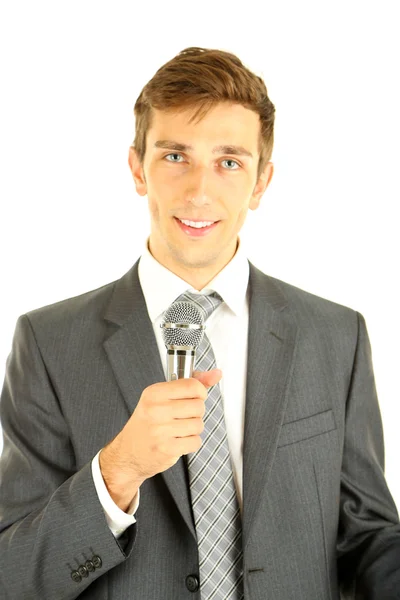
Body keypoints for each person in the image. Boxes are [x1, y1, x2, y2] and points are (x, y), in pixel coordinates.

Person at [0, 46, 399, 600]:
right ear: (138, 167)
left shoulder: (336, 336)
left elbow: (369, 539)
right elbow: (13, 576)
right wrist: (116, 472)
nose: (200, 191)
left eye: (229, 161)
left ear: (261, 182)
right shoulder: (47, 344)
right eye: (175, 156)